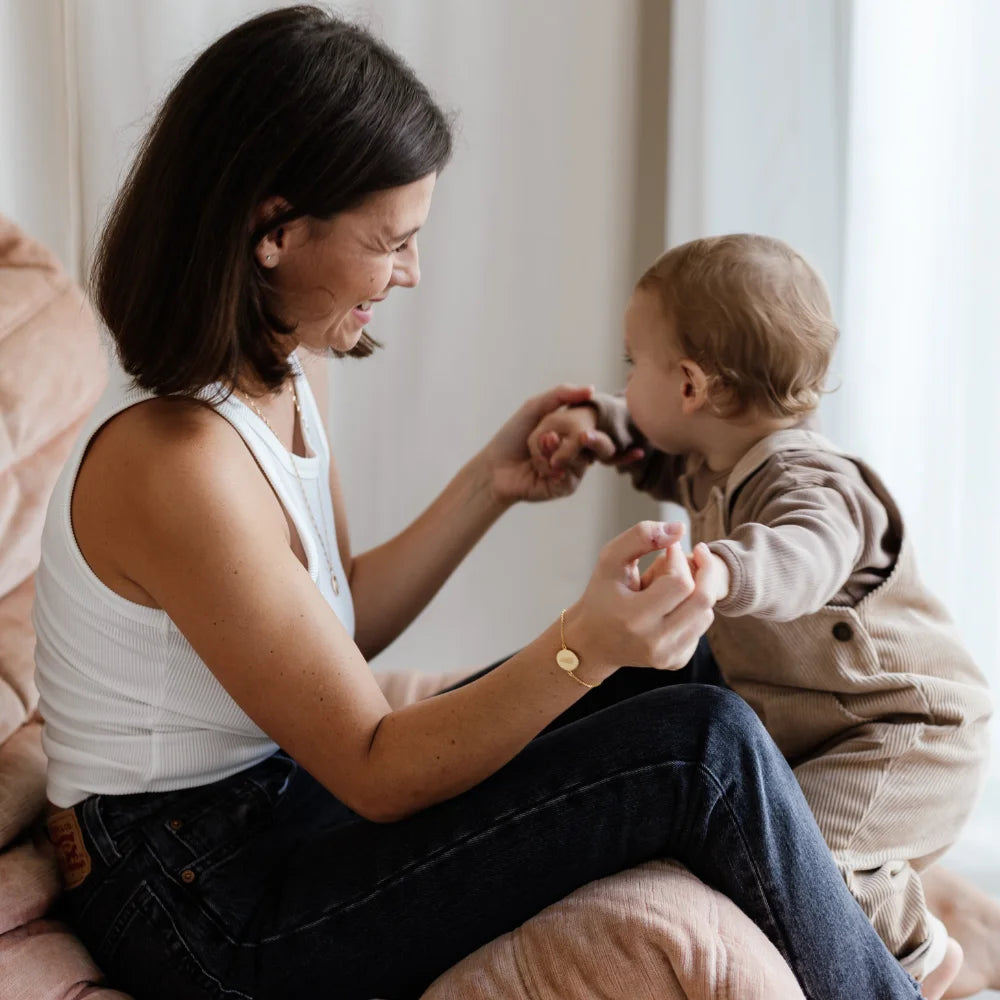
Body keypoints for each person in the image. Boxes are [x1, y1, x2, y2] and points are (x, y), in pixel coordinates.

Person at [33, 9, 927, 999]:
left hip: (281, 799)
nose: (411, 271)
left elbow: (339, 624)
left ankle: (851, 917)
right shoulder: (174, 460)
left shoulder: (285, 372)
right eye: (392, 240)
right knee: (698, 744)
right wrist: (584, 638)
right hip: (196, 902)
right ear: (275, 230)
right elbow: (371, 763)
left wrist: (489, 485)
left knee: (688, 676)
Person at [527, 233, 996, 1000]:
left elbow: (807, 555)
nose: (626, 379)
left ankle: (931, 959)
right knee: (771, 844)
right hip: (834, 726)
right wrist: (607, 428)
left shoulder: (809, 478)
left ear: (688, 386)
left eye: (629, 365)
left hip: (906, 731)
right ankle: (935, 910)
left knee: (814, 860)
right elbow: (665, 459)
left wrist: (725, 568)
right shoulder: (719, 456)